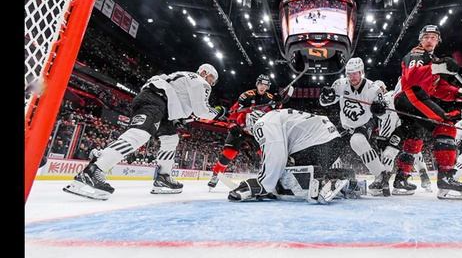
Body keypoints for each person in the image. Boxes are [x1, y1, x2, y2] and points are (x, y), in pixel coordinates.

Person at [63, 64, 225, 200]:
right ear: (205, 73)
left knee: (170, 139)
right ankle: (95, 171)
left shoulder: (185, 77)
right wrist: (217, 112)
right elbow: (202, 110)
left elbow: (181, 103)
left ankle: (163, 177)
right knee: (140, 133)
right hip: (157, 101)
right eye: (212, 79)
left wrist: (182, 115)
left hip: (159, 104)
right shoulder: (200, 81)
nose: (211, 84)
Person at [393, 24, 462, 200]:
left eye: (433, 37)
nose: (429, 40)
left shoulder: (432, 59)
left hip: (409, 99)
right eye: (426, 37)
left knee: (414, 139)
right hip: (411, 96)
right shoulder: (417, 54)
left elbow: (438, 88)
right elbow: (412, 78)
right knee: (446, 125)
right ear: (420, 39)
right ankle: (446, 179)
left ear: (438, 40)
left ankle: (401, 180)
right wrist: (438, 68)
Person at [228, 109, 359, 204]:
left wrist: (262, 184)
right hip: (331, 139)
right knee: (300, 169)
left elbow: (276, 154)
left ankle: (323, 184)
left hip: (316, 143)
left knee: (289, 176)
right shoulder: (278, 116)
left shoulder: (262, 123)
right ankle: (345, 179)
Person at [319, 57, 391, 196]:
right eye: (349, 73)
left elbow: (383, 114)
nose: (352, 77)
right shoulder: (339, 84)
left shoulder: (373, 89)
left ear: (361, 72)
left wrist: (380, 110)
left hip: (364, 123)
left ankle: (381, 175)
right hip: (344, 124)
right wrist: (325, 98)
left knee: (357, 141)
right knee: (329, 145)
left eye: (355, 73)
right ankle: (332, 177)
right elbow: (325, 103)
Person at [207, 74, 292, 189]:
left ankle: (274, 178)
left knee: (267, 154)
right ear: (257, 84)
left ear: (268, 87)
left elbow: (276, 113)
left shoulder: (270, 98)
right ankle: (215, 175)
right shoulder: (246, 96)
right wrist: (232, 124)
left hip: (258, 131)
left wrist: (278, 103)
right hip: (241, 127)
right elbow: (234, 111)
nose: (263, 87)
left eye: (266, 85)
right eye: (261, 84)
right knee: (229, 153)